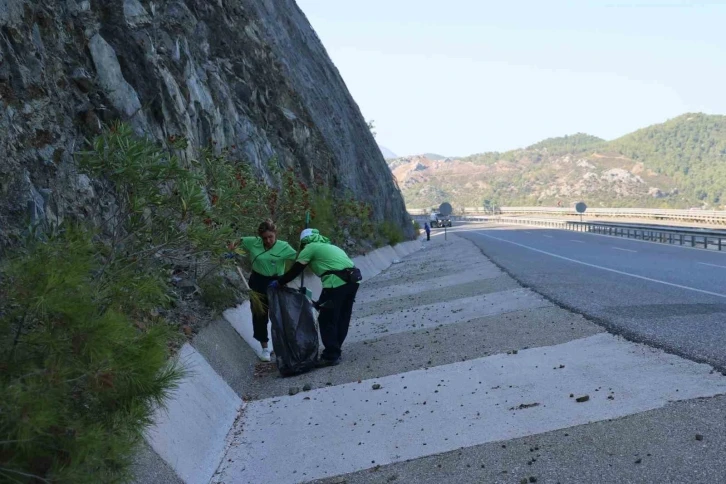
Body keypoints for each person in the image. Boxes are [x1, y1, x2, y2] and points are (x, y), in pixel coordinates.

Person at [271, 229, 361, 367]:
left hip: (335, 282)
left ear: (303, 241)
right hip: (353, 282)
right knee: (342, 316)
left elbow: (296, 269)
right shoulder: (330, 246)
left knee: (326, 318)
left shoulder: (309, 247)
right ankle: (335, 350)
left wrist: (280, 282)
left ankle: (331, 355)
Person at [237, 219, 297, 362]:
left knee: (281, 314)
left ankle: (286, 345)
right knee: (259, 314)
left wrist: (288, 277)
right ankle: (264, 348)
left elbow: (300, 258)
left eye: (271, 237)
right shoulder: (253, 242)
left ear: (275, 234)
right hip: (258, 282)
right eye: (265, 238)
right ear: (260, 237)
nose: (268, 240)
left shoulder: (284, 247)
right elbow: (237, 241)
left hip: (277, 283)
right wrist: (232, 250)